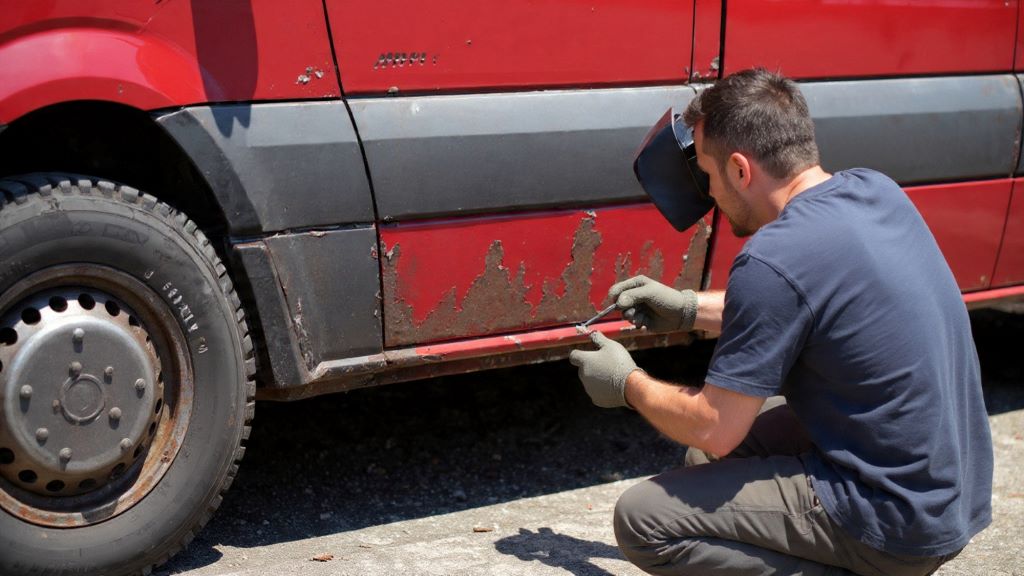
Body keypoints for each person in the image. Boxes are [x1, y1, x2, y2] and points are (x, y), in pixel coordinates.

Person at [568, 68, 993, 576]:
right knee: (708, 463)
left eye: (707, 173)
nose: (708, 194)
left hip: (897, 524)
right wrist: (686, 309)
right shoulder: (875, 191)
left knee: (645, 519)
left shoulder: (772, 258)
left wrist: (627, 382)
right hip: (949, 496)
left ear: (741, 171)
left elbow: (715, 425)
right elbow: (803, 305)